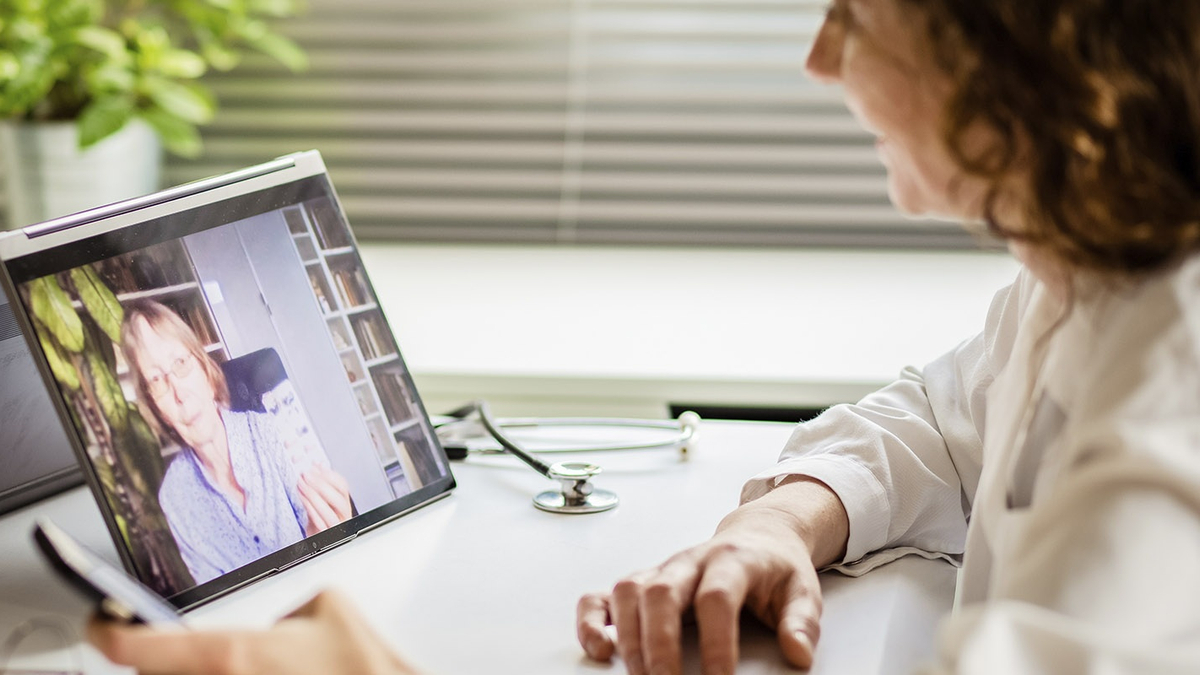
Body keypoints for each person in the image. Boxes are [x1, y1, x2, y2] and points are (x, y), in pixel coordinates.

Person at [89, 0, 1200, 672]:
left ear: (1011, 55)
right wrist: (779, 527)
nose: (818, 58)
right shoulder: (1081, 269)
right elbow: (948, 424)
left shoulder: (1169, 415)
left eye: (855, 15)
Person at [121, 300, 355, 586]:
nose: (179, 394)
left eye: (180, 364)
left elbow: (332, 561)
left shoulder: (271, 432)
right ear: (156, 409)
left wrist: (338, 536)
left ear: (206, 372)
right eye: (156, 381)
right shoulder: (174, 496)